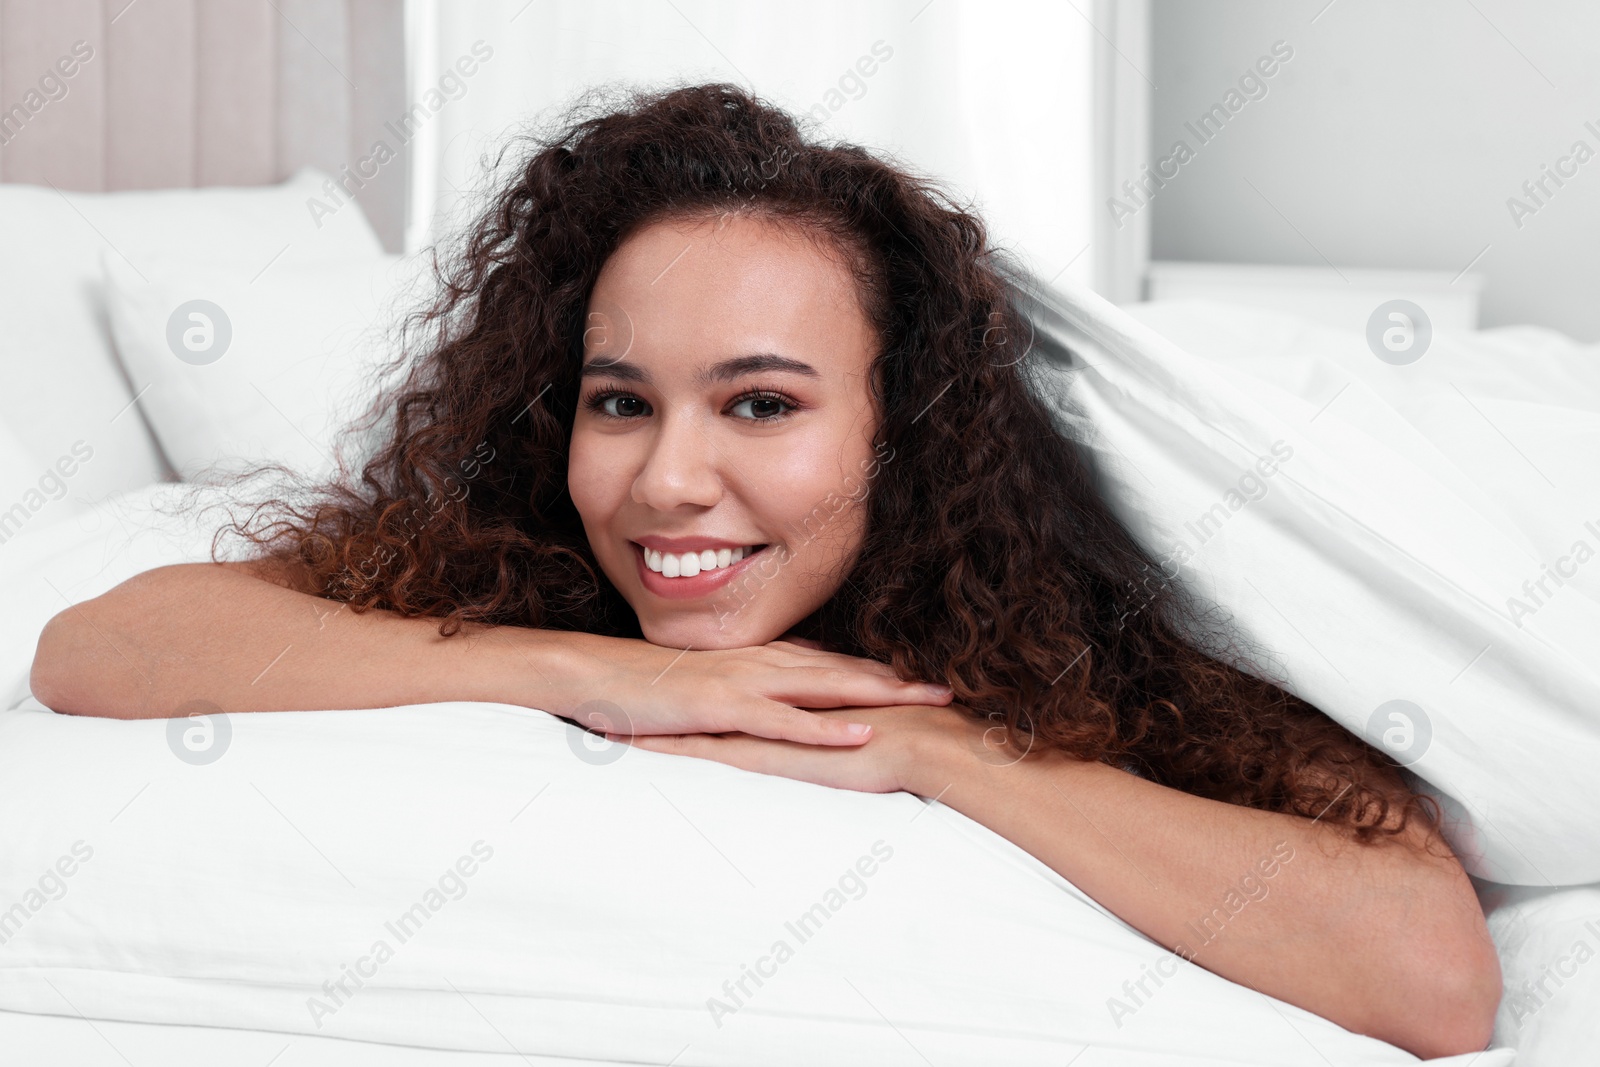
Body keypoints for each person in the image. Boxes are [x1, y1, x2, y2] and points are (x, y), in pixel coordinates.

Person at [29, 82, 1499, 1056]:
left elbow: (1433, 975)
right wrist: (592, 673)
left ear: (899, 425)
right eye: (620, 401)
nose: (668, 478)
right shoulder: (512, 566)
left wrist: (949, 756)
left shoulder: (1052, 629)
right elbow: (97, 649)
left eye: (762, 404)